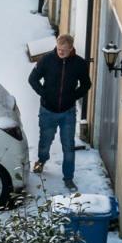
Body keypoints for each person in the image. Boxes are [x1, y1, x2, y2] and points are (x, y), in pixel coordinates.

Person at [27, 34, 91, 191]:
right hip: (48, 110)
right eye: (58, 49)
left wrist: (73, 96)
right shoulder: (47, 60)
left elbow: (86, 84)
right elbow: (32, 79)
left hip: (67, 112)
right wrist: (44, 94)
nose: (60, 52)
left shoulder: (79, 64)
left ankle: (68, 177)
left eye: (64, 50)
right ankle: (41, 160)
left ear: (71, 49)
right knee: (45, 140)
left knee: (68, 146)